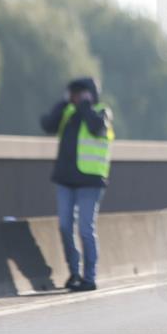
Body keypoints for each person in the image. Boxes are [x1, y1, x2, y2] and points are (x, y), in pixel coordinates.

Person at [40, 77, 114, 292]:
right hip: (65, 179)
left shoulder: (101, 112)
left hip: (90, 180)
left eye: (81, 93)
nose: (77, 97)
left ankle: (89, 277)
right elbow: (47, 125)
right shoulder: (68, 113)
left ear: (91, 93)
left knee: (85, 228)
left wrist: (85, 106)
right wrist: (63, 104)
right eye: (73, 93)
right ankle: (74, 272)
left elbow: (95, 127)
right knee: (64, 226)